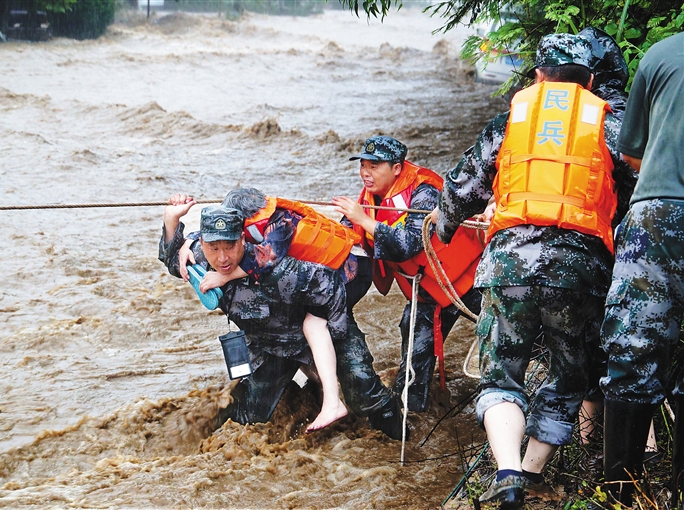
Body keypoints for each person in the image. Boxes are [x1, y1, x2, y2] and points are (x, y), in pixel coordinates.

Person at [432, 33, 637, 509]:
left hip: (507, 266)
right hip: (580, 272)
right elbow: (636, 191)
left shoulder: (509, 122)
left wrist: (443, 225)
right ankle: (531, 470)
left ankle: (506, 473)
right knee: (570, 377)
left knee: (502, 375)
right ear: (591, 80)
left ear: (539, 76)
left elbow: (461, 191)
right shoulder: (611, 125)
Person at [159, 195, 406, 439]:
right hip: (269, 346)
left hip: (322, 329)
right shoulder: (200, 260)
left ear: (243, 240)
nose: (222, 258)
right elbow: (174, 262)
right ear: (202, 244)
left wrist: (335, 338)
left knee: (364, 392)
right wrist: (171, 222)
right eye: (213, 248)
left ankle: (401, 437)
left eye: (230, 247)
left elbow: (330, 283)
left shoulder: (276, 264)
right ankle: (303, 399)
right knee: (250, 416)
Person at [185, 188, 360, 432]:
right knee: (305, 334)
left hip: (346, 274)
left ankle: (333, 402)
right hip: (320, 280)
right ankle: (322, 389)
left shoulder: (281, 223)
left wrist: (224, 278)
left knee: (313, 326)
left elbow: (267, 258)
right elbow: (217, 231)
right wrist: (188, 241)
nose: (222, 254)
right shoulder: (258, 219)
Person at [332, 136, 485, 413]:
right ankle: (413, 421)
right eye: (363, 165)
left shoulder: (424, 192)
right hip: (426, 291)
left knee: (516, 339)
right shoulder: (366, 201)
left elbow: (408, 244)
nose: (366, 173)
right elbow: (344, 237)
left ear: (397, 168)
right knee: (411, 372)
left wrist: (364, 220)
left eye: (374, 166)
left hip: (468, 282)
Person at [598, 31, 684, 507]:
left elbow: (631, 152)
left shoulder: (663, 53)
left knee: (633, 350)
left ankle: (621, 496)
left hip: (659, 211)